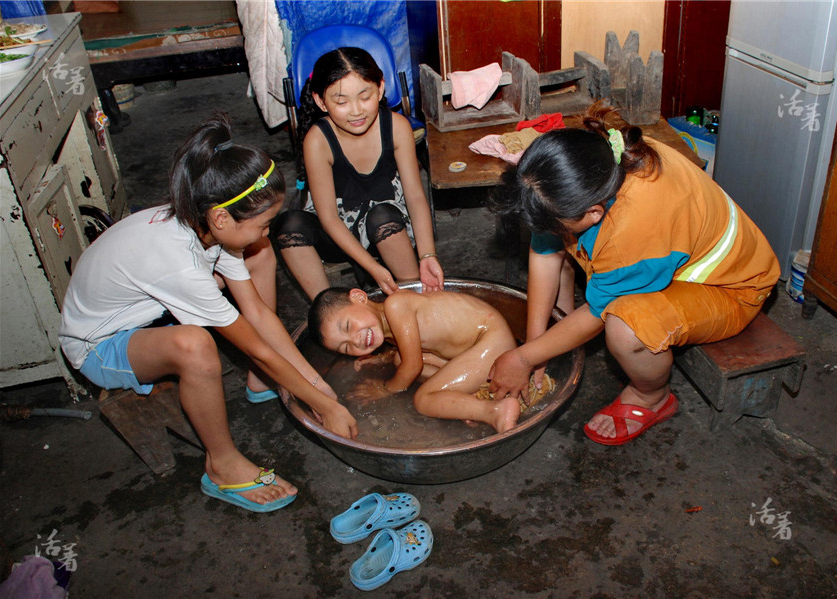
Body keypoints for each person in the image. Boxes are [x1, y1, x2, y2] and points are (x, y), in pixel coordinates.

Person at [58, 113, 358, 513]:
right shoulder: (178, 261)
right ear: (221, 217)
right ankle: (222, 465)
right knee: (195, 346)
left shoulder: (207, 223)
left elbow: (256, 313)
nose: (269, 230)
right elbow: (258, 347)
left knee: (260, 255)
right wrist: (328, 407)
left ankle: (259, 384)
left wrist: (314, 383)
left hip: (146, 309)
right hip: (98, 344)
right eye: (265, 223)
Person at [488, 102, 780, 446]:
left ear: (595, 212)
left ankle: (652, 398)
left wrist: (523, 357)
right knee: (559, 232)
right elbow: (545, 246)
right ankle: (558, 333)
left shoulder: (635, 229)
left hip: (730, 287)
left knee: (626, 329)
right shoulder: (598, 163)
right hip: (665, 256)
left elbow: (598, 313)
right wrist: (535, 346)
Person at [271, 47, 443, 300]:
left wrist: (428, 255)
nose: (356, 111)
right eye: (341, 102)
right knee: (288, 225)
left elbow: (416, 196)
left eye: (365, 96)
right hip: (337, 234)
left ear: (381, 88)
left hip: (387, 228)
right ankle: (331, 310)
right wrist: (373, 268)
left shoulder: (397, 127)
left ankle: (416, 297)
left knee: (382, 216)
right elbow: (329, 219)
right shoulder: (317, 140)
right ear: (321, 102)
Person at [308, 287, 521, 433]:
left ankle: (495, 411)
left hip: (492, 341)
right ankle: (466, 392)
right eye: (346, 347)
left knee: (423, 399)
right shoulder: (389, 328)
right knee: (399, 359)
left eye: (347, 326)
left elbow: (413, 366)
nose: (355, 340)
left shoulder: (396, 305)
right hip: (477, 346)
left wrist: (385, 389)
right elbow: (408, 354)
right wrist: (381, 358)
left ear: (360, 297)